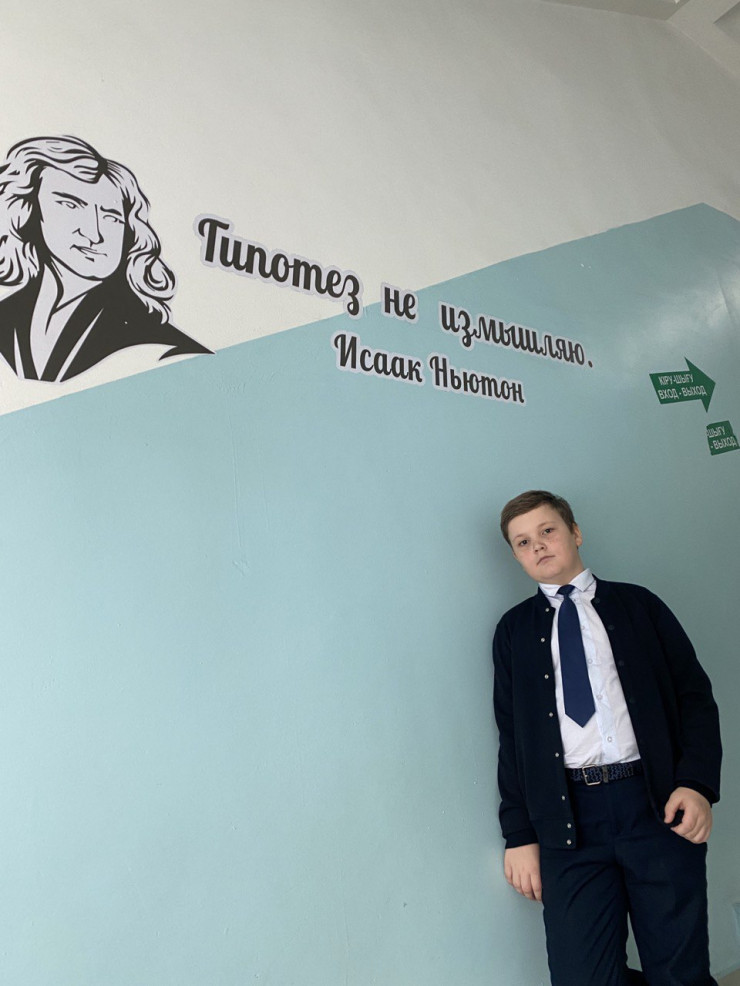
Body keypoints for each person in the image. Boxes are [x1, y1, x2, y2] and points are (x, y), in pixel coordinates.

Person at [492, 490, 721, 986]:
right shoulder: (513, 632)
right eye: (523, 542)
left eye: (547, 531)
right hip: (567, 821)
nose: (538, 546)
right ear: (515, 555)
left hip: (655, 806)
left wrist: (697, 784)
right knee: (582, 975)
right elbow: (513, 738)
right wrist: (519, 835)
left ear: (575, 533)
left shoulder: (639, 605)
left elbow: (694, 698)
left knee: (678, 971)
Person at [0, 135, 212, 382]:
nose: (94, 234)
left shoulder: (158, 345)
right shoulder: (8, 314)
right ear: (26, 210)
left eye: (111, 217)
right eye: (70, 205)